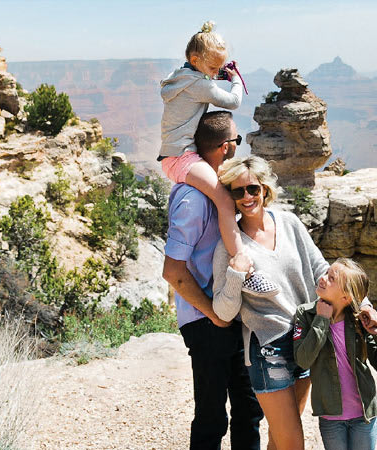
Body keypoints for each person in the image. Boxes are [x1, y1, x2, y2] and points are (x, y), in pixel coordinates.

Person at [211, 156, 377, 450]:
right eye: (237, 192)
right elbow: (223, 311)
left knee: (279, 440)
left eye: (252, 188)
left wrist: (364, 305)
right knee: (293, 444)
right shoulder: (228, 246)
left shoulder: (289, 223)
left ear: (264, 188)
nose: (247, 197)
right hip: (269, 350)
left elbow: (321, 269)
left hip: (307, 339)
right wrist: (236, 273)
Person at [162, 111, 263, 450]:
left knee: (249, 409)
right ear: (224, 147)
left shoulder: (221, 191)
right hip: (206, 320)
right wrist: (213, 314)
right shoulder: (192, 200)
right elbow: (173, 272)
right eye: (237, 140)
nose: (238, 146)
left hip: (232, 313)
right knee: (211, 417)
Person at [160, 21, 275, 296]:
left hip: (174, 155)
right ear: (195, 60)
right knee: (224, 200)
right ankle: (245, 270)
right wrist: (234, 78)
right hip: (181, 157)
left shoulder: (178, 78)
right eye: (213, 69)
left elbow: (202, 80)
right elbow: (233, 102)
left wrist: (212, 73)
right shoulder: (199, 84)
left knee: (224, 188)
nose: (215, 74)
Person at [293, 258, 377, 450]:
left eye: (331, 278)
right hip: (331, 418)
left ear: (346, 297)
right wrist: (321, 320)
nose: (322, 279)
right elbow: (303, 361)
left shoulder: (358, 319)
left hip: (364, 415)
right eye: (326, 274)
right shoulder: (305, 315)